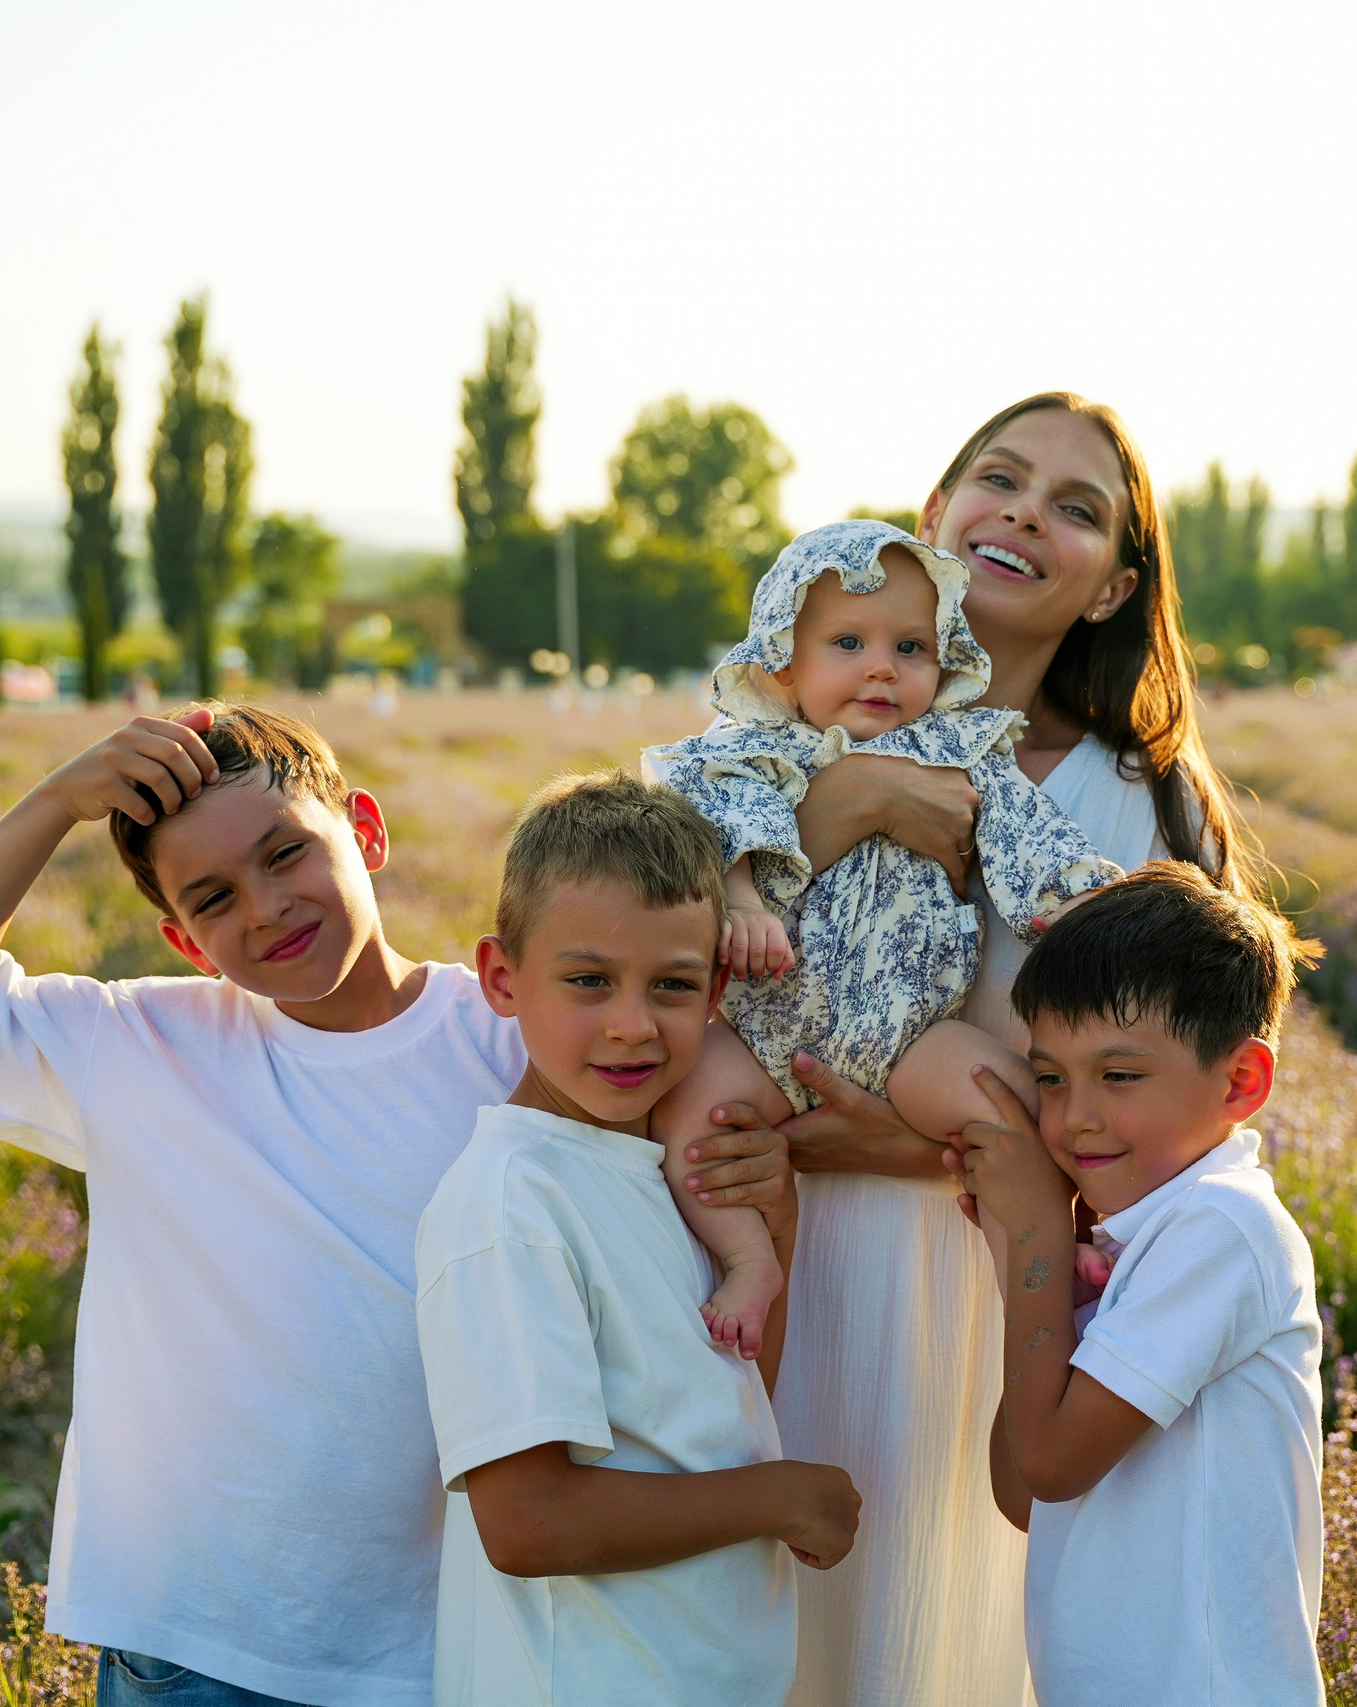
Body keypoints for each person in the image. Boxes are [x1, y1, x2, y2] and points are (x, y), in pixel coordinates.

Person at [0, 704, 793, 1707]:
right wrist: (56, 801)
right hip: (197, 1638)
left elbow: (698, 1079)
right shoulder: (140, 1043)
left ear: (369, 831)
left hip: (438, 1633)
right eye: (213, 899)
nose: (264, 908)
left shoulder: (514, 1030)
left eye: (285, 854)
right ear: (184, 940)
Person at [754, 394, 1261, 1707]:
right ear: (931, 518)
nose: (1028, 511)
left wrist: (904, 1139)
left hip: (981, 1279)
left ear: (1113, 589)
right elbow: (654, 930)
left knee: (923, 1637)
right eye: (1000, 476)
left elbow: (1173, 1101)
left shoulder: (1136, 799)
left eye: (1077, 507)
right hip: (761, 1243)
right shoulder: (776, 732)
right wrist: (859, 795)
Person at [415, 771, 861, 1707]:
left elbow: (715, 1411)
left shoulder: (668, 1175)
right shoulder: (510, 1206)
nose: (631, 1025)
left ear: (717, 988)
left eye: (671, 985)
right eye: (588, 981)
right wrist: (779, 1497)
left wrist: (771, 1233)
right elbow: (529, 1523)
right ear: (502, 976)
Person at [645, 519, 1123, 1359]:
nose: (881, 665)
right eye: (848, 642)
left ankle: (1049, 1252)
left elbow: (1028, 842)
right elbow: (699, 833)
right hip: (767, 1032)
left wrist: (1086, 906)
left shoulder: (960, 752)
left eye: (910, 645)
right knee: (687, 1107)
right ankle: (748, 1257)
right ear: (783, 659)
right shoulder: (749, 751)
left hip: (914, 1033)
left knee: (1017, 1108)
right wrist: (741, 898)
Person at [951, 864, 1325, 1707]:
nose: (1075, 1114)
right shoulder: (1136, 1241)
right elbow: (1021, 1491)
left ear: (1241, 1083)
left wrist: (1039, 1237)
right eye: (1050, 1078)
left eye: (1119, 1076)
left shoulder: (1222, 1229)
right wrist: (1040, 1265)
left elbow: (1046, 1464)